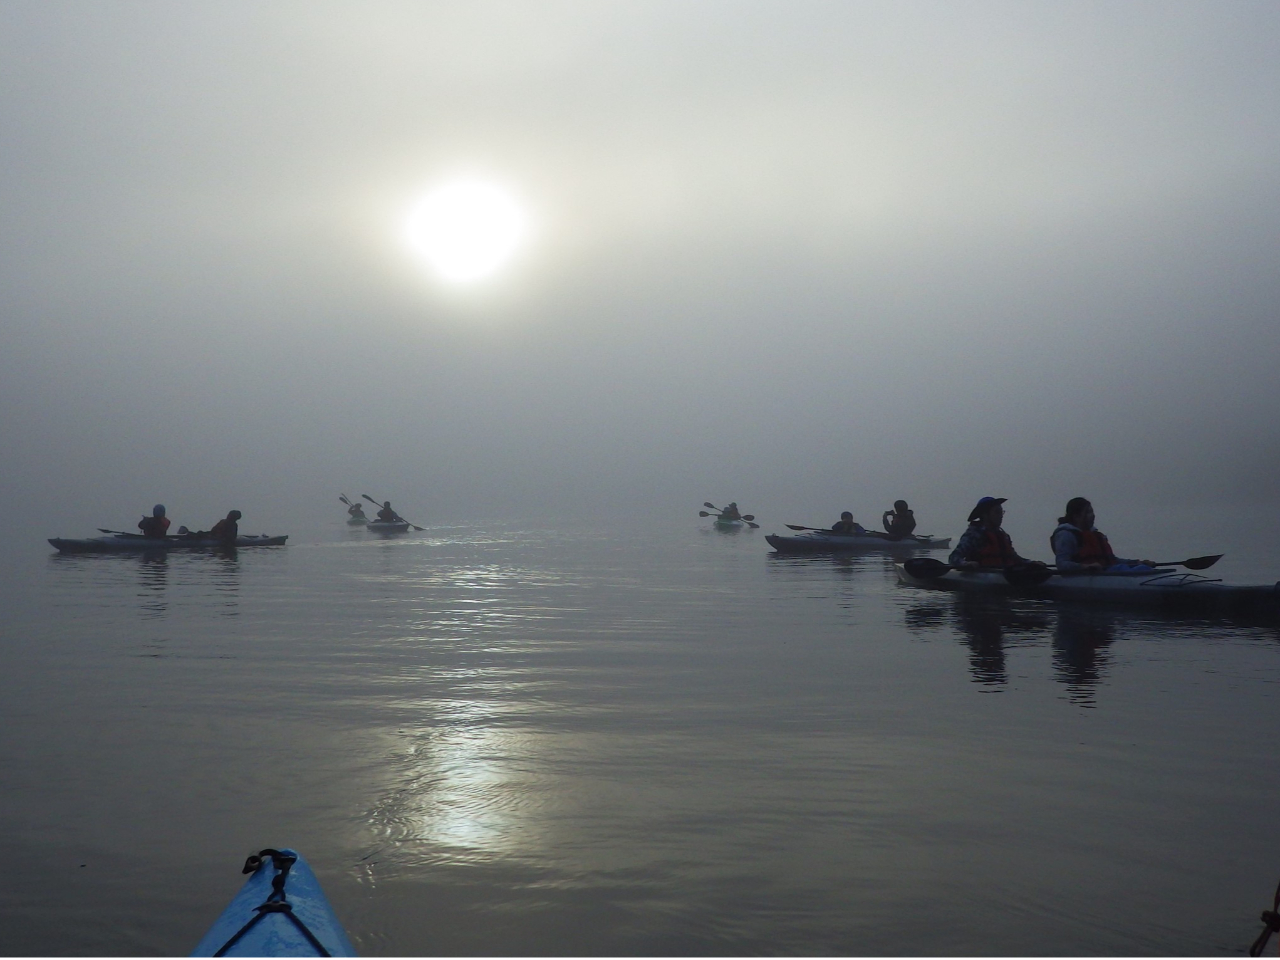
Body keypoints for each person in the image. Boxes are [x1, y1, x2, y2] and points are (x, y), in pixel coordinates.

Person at [1051, 497, 1155, 573]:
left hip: (1105, 573)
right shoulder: (1066, 535)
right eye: (1088, 512)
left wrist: (1137, 562)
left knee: (1141, 568)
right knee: (1133, 570)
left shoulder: (1095, 535)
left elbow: (1112, 560)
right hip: (1083, 576)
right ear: (1076, 516)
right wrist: (1085, 567)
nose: (1093, 515)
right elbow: (1062, 564)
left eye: (1092, 512)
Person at [949, 497, 1043, 569]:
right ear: (985, 515)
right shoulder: (973, 535)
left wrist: (1031, 563)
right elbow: (954, 557)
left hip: (1004, 576)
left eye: (1002, 512)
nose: (1001, 516)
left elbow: (1015, 559)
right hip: (982, 582)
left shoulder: (1003, 536)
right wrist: (965, 564)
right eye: (997, 512)